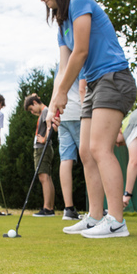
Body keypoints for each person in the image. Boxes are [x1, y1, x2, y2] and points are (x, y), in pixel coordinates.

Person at [33, 0, 137, 238]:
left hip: (113, 77)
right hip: (93, 84)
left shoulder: (79, 2)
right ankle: (95, 216)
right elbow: (63, 67)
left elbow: (81, 52)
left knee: (100, 148)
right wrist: (52, 105)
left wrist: (62, 94)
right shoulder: (62, 24)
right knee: (86, 151)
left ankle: (116, 220)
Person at [56, 77, 86, 220]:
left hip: (62, 114)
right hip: (78, 112)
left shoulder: (59, 66)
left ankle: (68, 209)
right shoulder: (81, 55)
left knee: (65, 159)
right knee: (89, 158)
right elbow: (82, 88)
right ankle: (96, 208)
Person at [24, 94, 56, 217]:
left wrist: (44, 139)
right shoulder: (44, 112)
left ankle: (47, 208)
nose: (32, 112)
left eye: (31, 109)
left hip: (43, 148)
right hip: (44, 148)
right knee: (47, 177)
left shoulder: (45, 111)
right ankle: (50, 207)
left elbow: (50, 127)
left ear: (35, 103)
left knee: (44, 178)